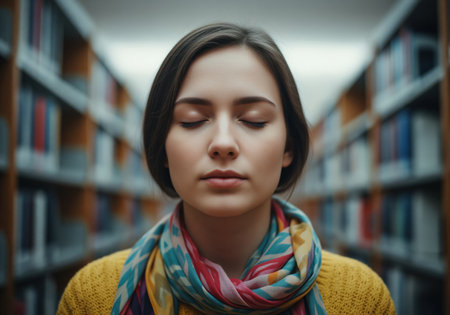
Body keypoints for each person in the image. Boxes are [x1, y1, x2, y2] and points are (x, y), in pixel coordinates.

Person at [57, 23, 395, 314]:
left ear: (288, 148)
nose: (222, 142)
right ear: (161, 147)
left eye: (253, 120)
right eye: (192, 121)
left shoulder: (359, 298)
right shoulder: (92, 297)